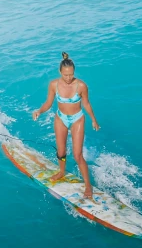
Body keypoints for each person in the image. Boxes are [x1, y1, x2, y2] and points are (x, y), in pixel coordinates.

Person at [33, 52, 100, 198]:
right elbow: (48, 103)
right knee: (61, 152)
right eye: (65, 75)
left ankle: (88, 185)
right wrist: (39, 111)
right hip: (61, 118)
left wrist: (94, 119)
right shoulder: (53, 85)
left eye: (71, 75)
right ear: (60, 72)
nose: (68, 78)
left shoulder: (81, 86)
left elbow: (86, 104)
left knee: (77, 155)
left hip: (77, 119)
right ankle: (61, 172)